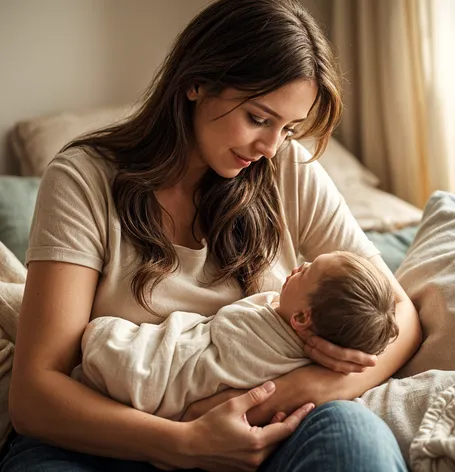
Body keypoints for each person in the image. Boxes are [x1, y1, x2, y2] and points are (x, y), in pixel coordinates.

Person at [3, 0, 422, 470]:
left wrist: (304, 389)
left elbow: (401, 313)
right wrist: (184, 441)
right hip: (110, 441)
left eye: (289, 128)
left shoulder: (287, 169)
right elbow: (35, 393)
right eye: (259, 119)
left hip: (262, 435)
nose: (269, 148)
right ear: (196, 83)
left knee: (354, 435)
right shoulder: (84, 178)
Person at [76, 250, 399, 422]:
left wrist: (321, 381)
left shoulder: (263, 333)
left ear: (301, 318)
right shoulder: (294, 325)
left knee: (105, 338)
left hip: (157, 376)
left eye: (308, 270)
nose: (300, 264)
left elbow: (228, 324)